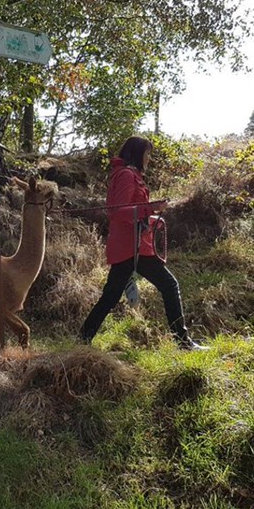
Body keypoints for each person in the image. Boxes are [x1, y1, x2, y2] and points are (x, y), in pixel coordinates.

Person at [79, 136, 207, 350]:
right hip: (132, 248)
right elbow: (116, 212)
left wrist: (151, 215)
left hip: (131, 247)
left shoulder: (128, 174)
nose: (149, 158)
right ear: (137, 154)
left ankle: (83, 338)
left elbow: (129, 211)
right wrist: (152, 208)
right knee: (169, 285)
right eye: (147, 154)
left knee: (110, 297)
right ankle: (183, 342)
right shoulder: (127, 175)